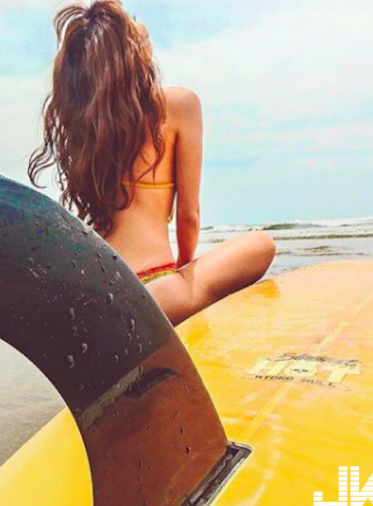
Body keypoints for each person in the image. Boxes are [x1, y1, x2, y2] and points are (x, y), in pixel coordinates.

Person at [27, 0, 275, 325]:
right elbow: (188, 215)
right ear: (129, 49)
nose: (139, 21)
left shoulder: (91, 124)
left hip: (97, 283)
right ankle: (167, 307)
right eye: (130, 20)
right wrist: (185, 271)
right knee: (261, 244)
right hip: (153, 286)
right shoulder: (178, 105)